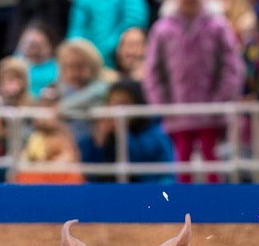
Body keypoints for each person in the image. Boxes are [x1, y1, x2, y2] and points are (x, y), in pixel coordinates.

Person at [142, 0, 245, 183]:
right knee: (181, 163)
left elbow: (232, 67)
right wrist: (163, 105)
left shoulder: (218, 25)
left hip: (211, 115)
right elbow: (152, 71)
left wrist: (220, 100)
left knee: (212, 162)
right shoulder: (162, 29)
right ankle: (182, 200)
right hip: (177, 115)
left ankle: (216, 198)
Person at [78, 79, 175, 182]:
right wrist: (99, 143)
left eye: (123, 103)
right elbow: (90, 172)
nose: (116, 110)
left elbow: (138, 162)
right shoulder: (101, 130)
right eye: (113, 103)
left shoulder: (154, 132)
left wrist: (122, 133)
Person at [42, 38, 115, 139]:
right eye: (68, 66)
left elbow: (96, 93)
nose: (73, 73)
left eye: (79, 66)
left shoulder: (104, 85)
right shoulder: (56, 88)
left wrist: (60, 109)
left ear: (92, 65)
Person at [0, 56, 33, 174]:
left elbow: (30, 134)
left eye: (14, 78)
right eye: (4, 79)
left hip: (25, 155)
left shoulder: (31, 105)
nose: (9, 84)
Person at [65, 0, 149, 68]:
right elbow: (76, 31)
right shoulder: (82, 3)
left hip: (117, 61)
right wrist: (80, 53)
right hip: (89, 62)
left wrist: (108, 49)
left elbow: (134, 21)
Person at [14, 20, 60, 99]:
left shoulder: (60, 67)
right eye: (29, 45)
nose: (34, 51)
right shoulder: (11, 65)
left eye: (38, 46)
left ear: (50, 45)